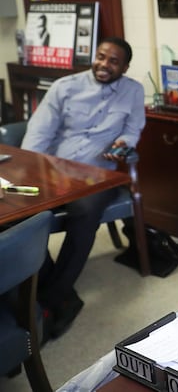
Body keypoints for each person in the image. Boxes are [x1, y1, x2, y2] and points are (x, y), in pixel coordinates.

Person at [21, 36, 145, 338]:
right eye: (101, 56)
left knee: (84, 212)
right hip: (54, 171)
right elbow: (38, 134)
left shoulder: (133, 91)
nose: (104, 64)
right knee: (22, 216)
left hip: (98, 175)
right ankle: (62, 296)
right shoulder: (65, 87)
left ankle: (48, 300)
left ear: (125, 67)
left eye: (113, 61)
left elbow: (132, 130)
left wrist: (123, 144)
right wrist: (28, 177)